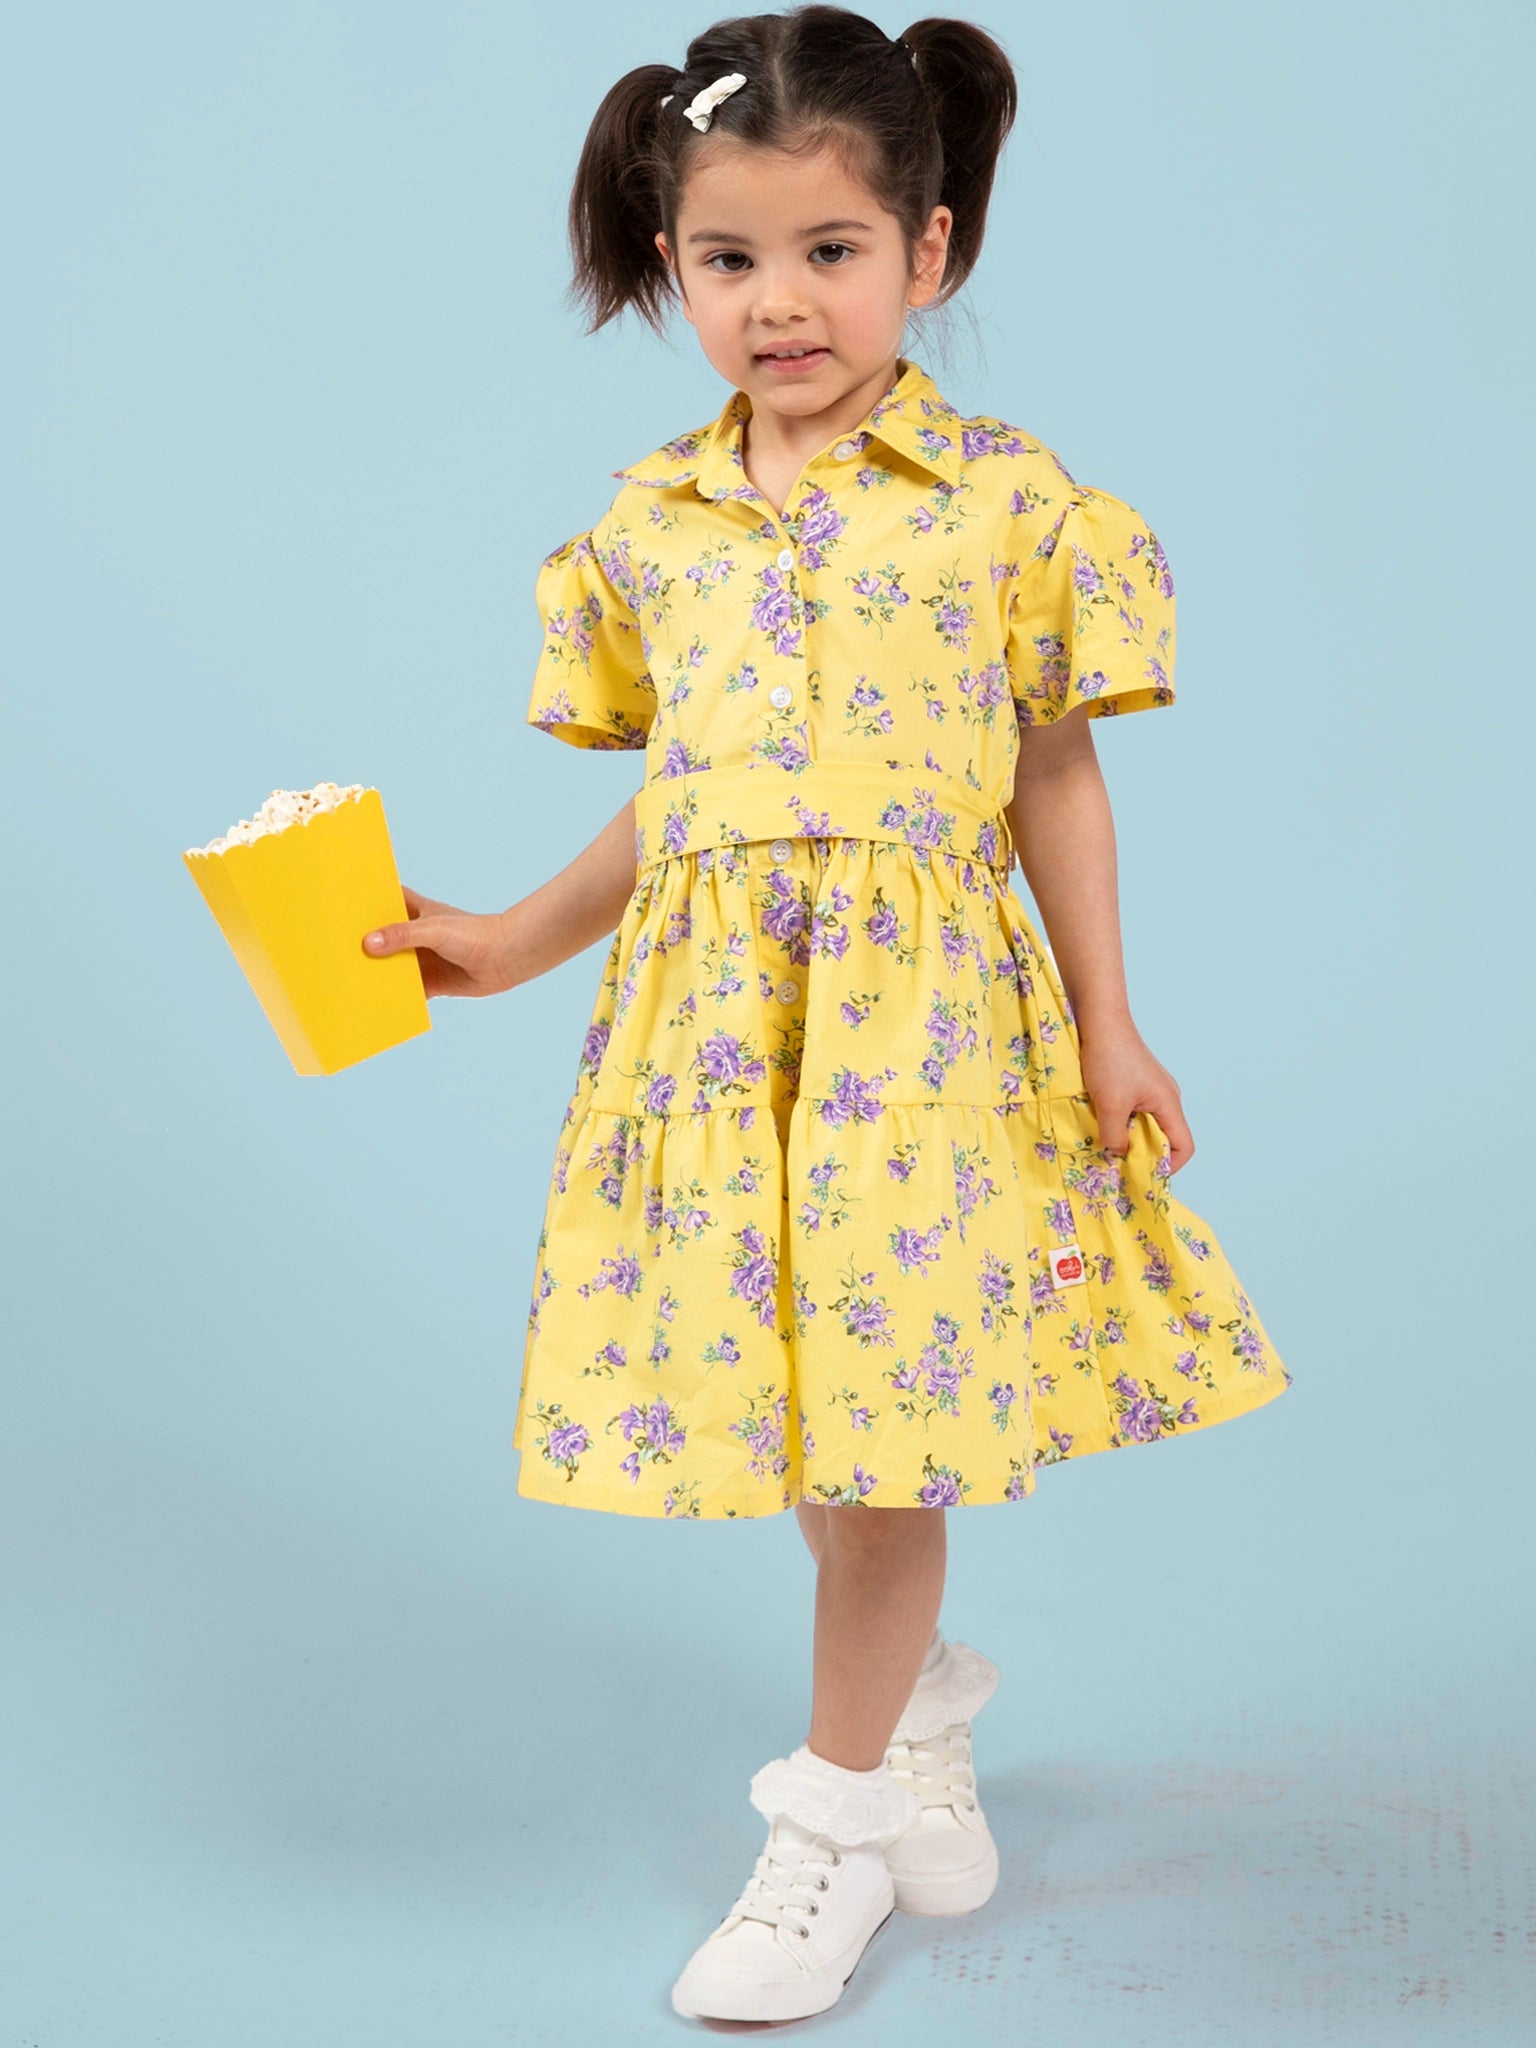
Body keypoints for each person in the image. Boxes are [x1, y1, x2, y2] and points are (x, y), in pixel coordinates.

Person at [362, 3, 1292, 2023]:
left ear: (928, 252)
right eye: (729, 258)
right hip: (718, 1038)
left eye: (830, 251)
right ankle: (917, 1698)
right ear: (669, 263)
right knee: (796, 1410)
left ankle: (832, 1828)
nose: (778, 301)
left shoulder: (1001, 502)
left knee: (882, 1459)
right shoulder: (651, 528)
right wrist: (512, 940)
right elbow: (689, 796)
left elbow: (1053, 771)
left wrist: (1112, 1018)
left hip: (917, 1041)